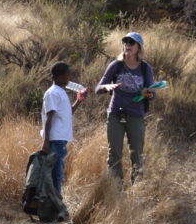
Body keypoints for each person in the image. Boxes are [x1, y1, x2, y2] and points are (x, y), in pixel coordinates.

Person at [95, 32, 155, 186]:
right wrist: (107, 86)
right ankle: (117, 190)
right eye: (125, 42)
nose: (127, 45)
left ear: (138, 47)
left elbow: (152, 94)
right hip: (116, 113)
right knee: (114, 154)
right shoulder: (116, 65)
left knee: (136, 154)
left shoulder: (145, 68)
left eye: (131, 42)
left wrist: (145, 93)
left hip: (136, 115)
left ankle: (137, 190)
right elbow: (98, 88)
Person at [41, 62, 87, 204]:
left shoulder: (61, 92)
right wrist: (46, 141)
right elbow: (49, 118)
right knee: (56, 174)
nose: (69, 77)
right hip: (55, 139)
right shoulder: (53, 93)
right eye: (68, 74)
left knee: (58, 173)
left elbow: (68, 113)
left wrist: (79, 101)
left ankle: (54, 204)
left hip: (60, 139)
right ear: (60, 77)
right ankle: (55, 205)